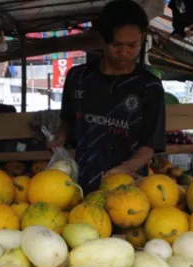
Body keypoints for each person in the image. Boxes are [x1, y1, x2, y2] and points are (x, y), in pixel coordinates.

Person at [49, 0, 166, 194]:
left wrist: (126, 168)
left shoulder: (149, 86)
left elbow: (150, 145)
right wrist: (59, 138)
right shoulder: (78, 78)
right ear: (102, 39)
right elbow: (68, 123)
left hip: (129, 187)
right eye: (116, 45)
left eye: (132, 45)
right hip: (82, 182)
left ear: (142, 38)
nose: (124, 53)